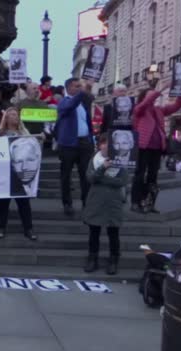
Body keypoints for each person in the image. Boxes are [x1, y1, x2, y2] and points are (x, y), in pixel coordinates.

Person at [131, 83, 181, 213]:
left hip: (157, 148)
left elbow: (177, 106)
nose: (154, 97)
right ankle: (135, 202)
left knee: (153, 176)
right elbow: (145, 103)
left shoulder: (158, 110)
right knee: (139, 175)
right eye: (150, 95)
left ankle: (149, 203)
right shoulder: (139, 109)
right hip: (143, 147)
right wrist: (158, 90)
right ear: (145, 96)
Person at [82, 133, 128, 275]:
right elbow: (90, 178)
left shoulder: (121, 162)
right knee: (94, 232)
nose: (106, 146)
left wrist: (101, 178)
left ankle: (113, 261)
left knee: (113, 233)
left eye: (109, 144)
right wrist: (103, 168)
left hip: (113, 202)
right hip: (96, 201)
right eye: (104, 143)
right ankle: (92, 259)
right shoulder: (94, 160)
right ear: (100, 145)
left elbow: (121, 181)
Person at [0, 108, 40, 240]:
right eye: (12, 115)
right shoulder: (0, 132)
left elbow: (33, 146)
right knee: (3, 203)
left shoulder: (24, 132)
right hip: (5, 173)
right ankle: (1, 227)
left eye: (17, 115)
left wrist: (41, 138)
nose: (15, 117)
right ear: (6, 118)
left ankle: (28, 229)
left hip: (20, 173)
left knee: (24, 203)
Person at [56, 78, 95, 216]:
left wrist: (89, 87)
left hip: (85, 143)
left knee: (86, 175)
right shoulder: (64, 102)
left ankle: (87, 202)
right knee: (66, 176)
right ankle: (67, 203)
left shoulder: (83, 103)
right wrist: (83, 91)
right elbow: (71, 105)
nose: (79, 88)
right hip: (68, 144)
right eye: (76, 86)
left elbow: (90, 97)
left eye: (80, 86)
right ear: (68, 88)